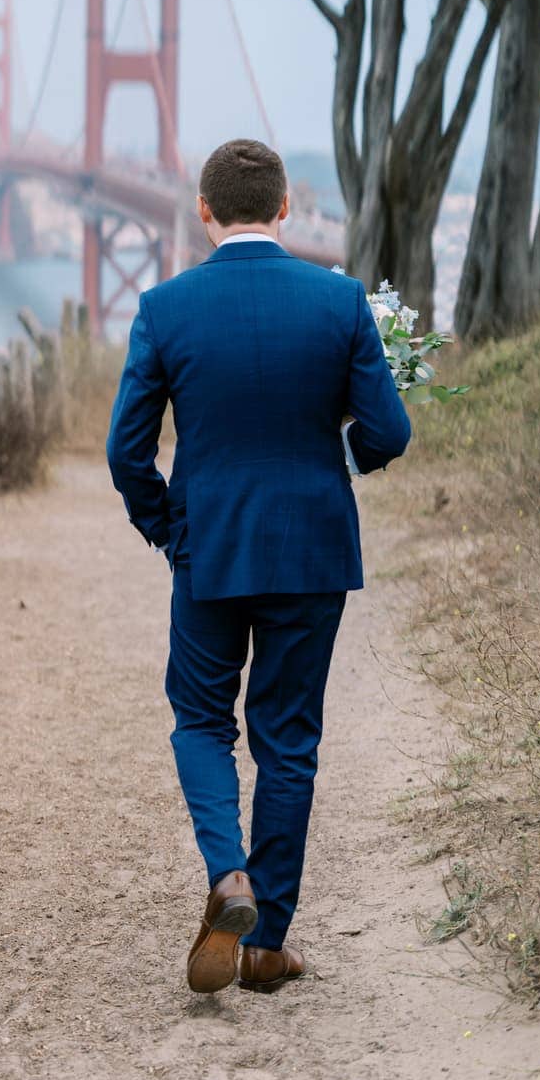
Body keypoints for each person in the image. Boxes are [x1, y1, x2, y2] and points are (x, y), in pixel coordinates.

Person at [106, 137, 411, 996]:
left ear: (204, 211)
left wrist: (171, 527)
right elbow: (389, 433)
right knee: (288, 740)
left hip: (210, 550)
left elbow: (127, 453)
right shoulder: (341, 301)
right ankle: (266, 945)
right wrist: (332, 466)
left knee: (201, 721)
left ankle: (226, 875)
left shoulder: (166, 308)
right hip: (313, 550)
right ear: (285, 209)